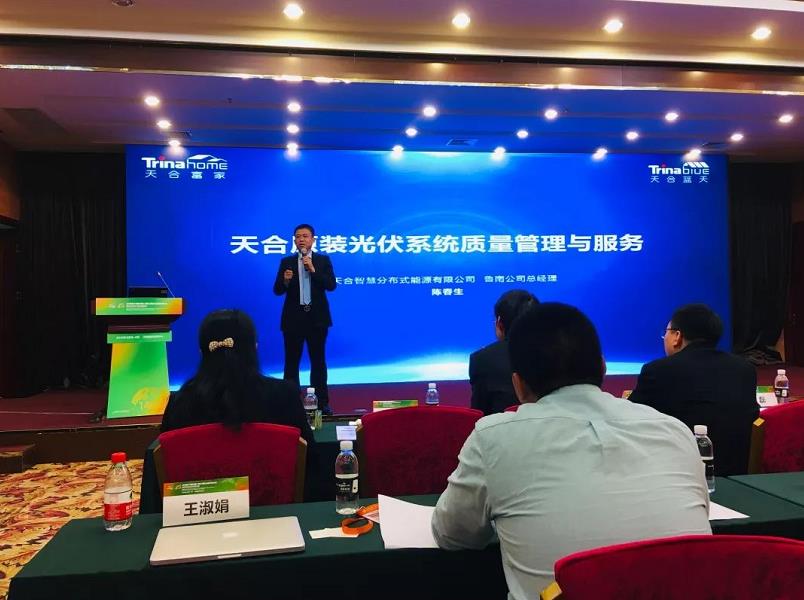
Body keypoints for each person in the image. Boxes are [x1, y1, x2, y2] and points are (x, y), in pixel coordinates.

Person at [432, 303, 711, 600]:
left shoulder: (493, 438)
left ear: (518, 385)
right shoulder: (674, 431)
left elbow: (452, 533)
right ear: (602, 367)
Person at [629, 303, 758, 476]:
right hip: (737, 473)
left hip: (678, 475)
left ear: (677, 336)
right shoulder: (745, 369)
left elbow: (631, 420)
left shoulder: (658, 371)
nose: (664, 337)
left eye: (666, 332)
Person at [161, 309, 314, 449]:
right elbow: (309, 459)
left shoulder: (179, 403)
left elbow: (165, 460)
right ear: (255, 348)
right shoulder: (285, 396)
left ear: (201, 353)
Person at [273, 224, 337, 414]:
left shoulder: (322, 260)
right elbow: (277, 290)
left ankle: (322, 402)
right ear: (294, 240)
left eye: (305, 236)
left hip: (317, 319)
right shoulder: (286, 262)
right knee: (291, 362)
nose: (301, 239)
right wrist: (285, 280)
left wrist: (313, 270)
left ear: (313, 240)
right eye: (298, 236)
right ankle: (290, 404)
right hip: (293, 319)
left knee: (318, 361)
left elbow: (331, 285)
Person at [469, 290, 538, 415]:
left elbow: (478, 415)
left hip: (499, 427)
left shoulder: (482, 359)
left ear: (499, 323)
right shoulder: (558, 352)